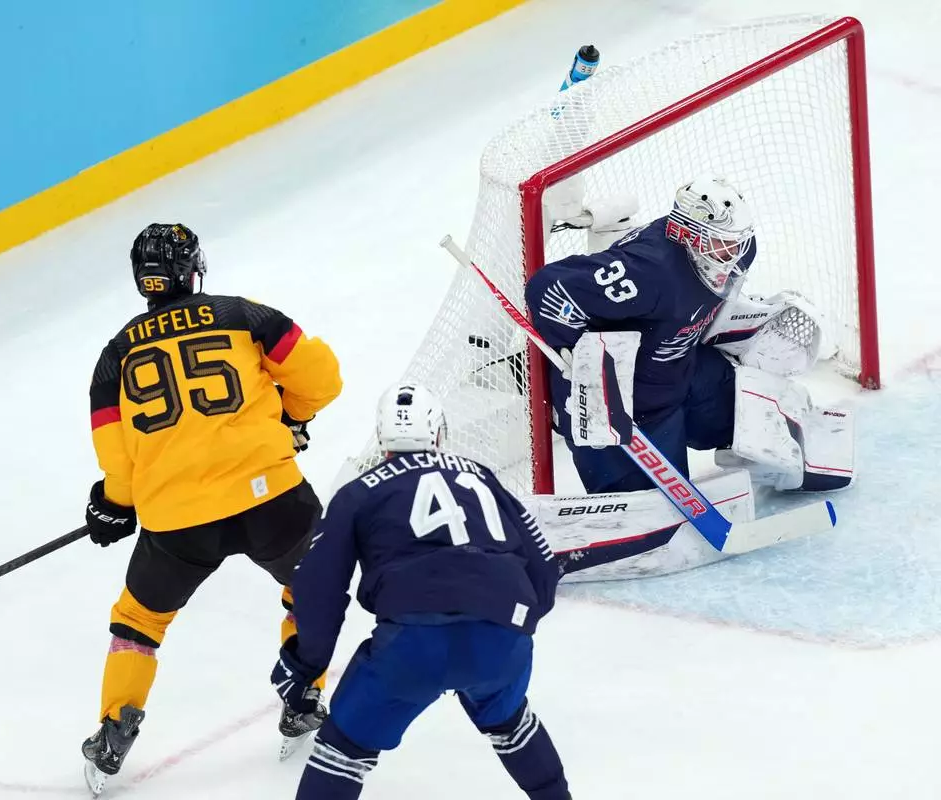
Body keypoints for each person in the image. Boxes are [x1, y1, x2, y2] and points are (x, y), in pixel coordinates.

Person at [80, 223, 343, 795]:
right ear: (193, 269)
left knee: (139, 622)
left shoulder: (115, 355)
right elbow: (322, 378)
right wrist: (291, 418)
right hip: (270, 497)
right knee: (312, 588)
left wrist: (114, 505)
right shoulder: (241, 314)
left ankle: (115, 726)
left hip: (178, 520)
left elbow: (116, 457)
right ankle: (304, 694)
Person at [271, 383, 570, 800]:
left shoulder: (359, 491)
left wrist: (305, 666)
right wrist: (511, 621)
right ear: (439, 432)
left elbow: (317, 588)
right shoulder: (480, 475)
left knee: (343, 751)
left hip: (413, 643)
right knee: (512, 722)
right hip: (502, 631)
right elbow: (542, 563)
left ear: (382, 438)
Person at [526, 175, 854, 496]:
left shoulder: (740, 252)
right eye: (722, 243)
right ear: (688, 234)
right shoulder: (649, 271)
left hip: (682, 371)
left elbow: (692, 304)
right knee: (657, 509)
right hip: (628, 406)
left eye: (737, 242)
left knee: (767, 420)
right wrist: (576, 350)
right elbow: (549, 288)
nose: (733, 253)